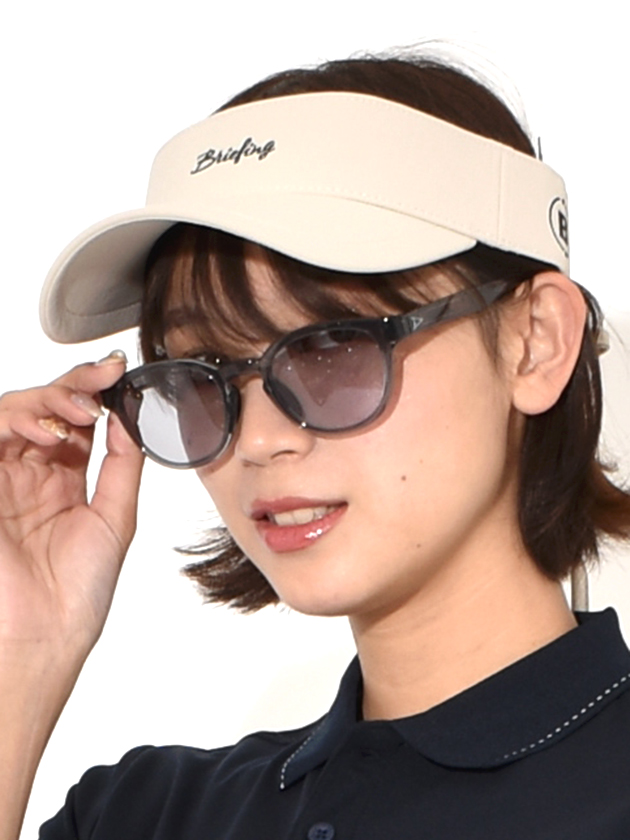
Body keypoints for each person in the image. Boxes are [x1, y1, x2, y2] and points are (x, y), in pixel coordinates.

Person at [2, 51, 630, 840]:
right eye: (204, 374)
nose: (259, 439)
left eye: (334, 349)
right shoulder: (143, 816)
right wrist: (22, 654)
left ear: (535, 341)